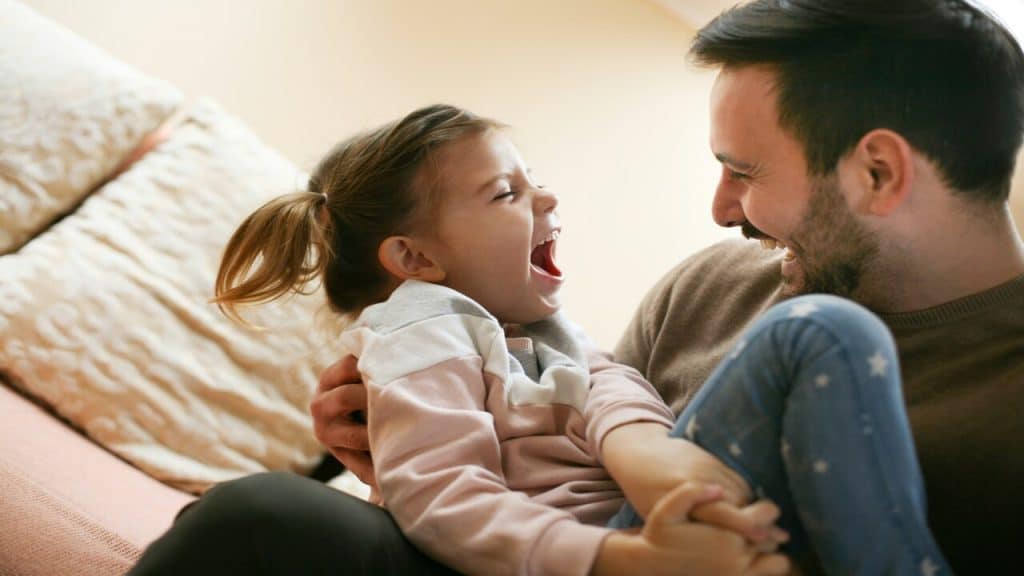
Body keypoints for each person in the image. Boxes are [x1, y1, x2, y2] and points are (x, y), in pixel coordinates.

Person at [130, 0, 1024, 573]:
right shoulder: (716, 285)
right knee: (261, 518)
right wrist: (396, 452)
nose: (722, 212)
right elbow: (552, 469)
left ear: (876, 173)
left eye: (743, 171)